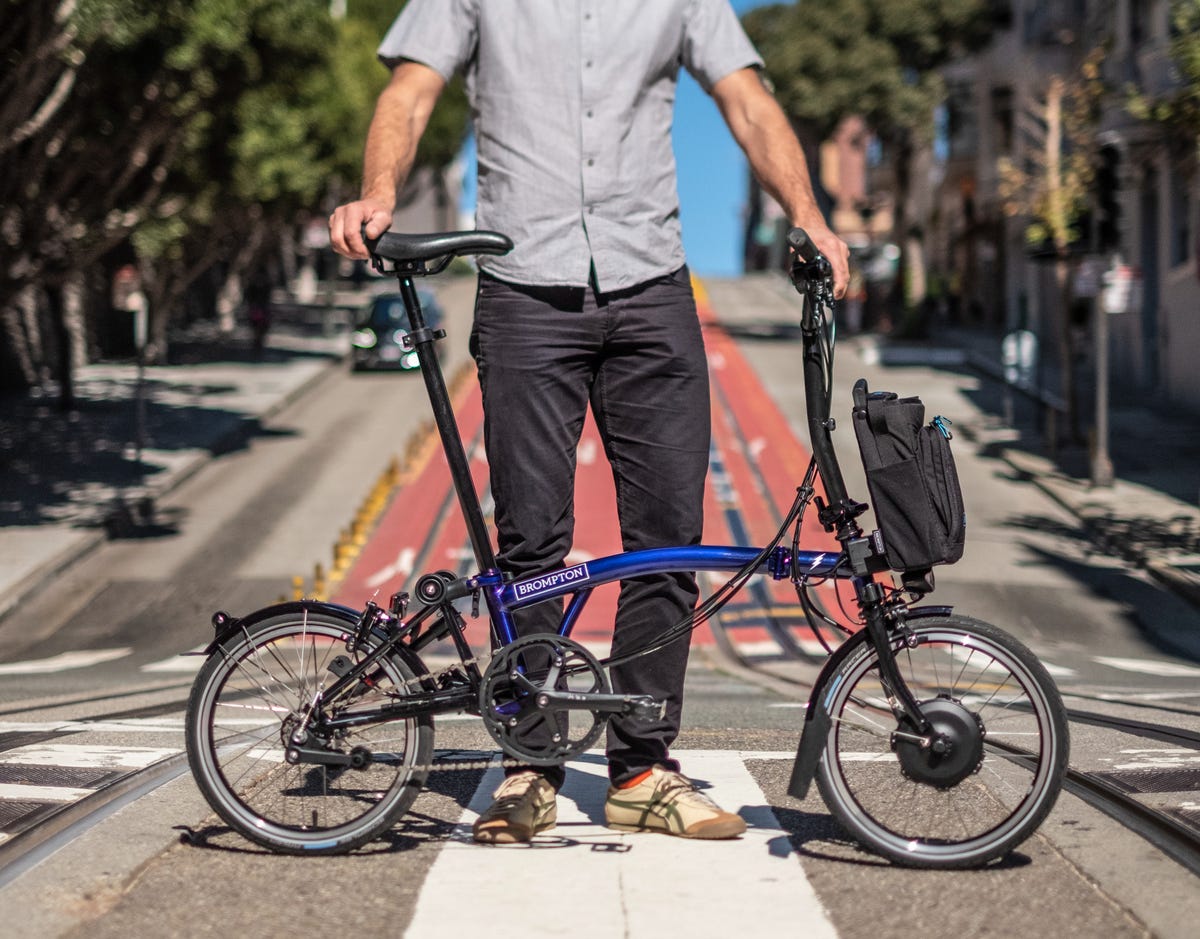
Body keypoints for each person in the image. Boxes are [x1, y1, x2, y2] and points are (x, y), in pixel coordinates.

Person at [329, 0, 850, 845]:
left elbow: (746, 99)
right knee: (531, 542)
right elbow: (411, 91)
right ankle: (529, 766)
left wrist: (809, 212)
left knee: (667, 538)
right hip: (523, 284)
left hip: (652, 286)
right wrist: (380, 189)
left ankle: (643, 768)